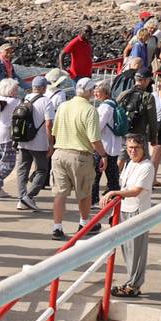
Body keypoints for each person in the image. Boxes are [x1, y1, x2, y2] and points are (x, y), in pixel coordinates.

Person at [50, 77, 108, 240]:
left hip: (60, 153)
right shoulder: (90, 110)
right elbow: (94, 139)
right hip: (80, 155)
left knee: (60, 193)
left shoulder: (63, 106)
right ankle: (84, 223)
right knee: (84, 192)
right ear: (89, 92)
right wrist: (103, 155)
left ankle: (57, 227)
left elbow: (54, 131)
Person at [108, 136, 156, 298]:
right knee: (128, 250)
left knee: (137, 251)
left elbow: (136, 191)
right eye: (129, 148)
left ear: (143, 149)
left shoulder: (147, 166)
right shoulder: (129, 164)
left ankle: (134, 284)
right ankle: (130, 282)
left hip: (138, 211)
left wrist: (115, 193)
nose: (132, 151)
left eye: (136, 147)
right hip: (125, 209)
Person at [13, 75, 53, 211]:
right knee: (42, 169)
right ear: (42, 88)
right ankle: (28, 197)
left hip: (23, 140)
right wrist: (51, 144)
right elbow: (48, 124)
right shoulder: (46, 101)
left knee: (22, 169)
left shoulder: (24, 99)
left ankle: (21, 198)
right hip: (39, 142)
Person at [92, 81, 124, 204]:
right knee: (112, 174)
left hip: (104, 146)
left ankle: (94, 200)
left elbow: (97, 127)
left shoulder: (105, 107)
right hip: (114, 145)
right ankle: (116, 198)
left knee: (96, 174)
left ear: (105, 93)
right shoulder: (114, 104)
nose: (95, 93)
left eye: (98, 91)